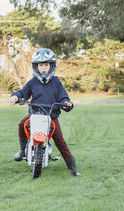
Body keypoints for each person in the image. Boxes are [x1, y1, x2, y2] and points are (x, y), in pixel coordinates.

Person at [9, 48, 80, 176]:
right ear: (36, 67)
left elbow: (63, 97)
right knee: (21, 125)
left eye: (46, 65)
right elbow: (22, 92)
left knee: (60, 141)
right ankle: (21, 151)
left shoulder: (56, 82)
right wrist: (16, 96)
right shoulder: (32, 82)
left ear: (51, 66)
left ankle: (73, 168)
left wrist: (66, 103)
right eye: (40, 65)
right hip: (34, 114)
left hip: (51, 116)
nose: (43, 68)